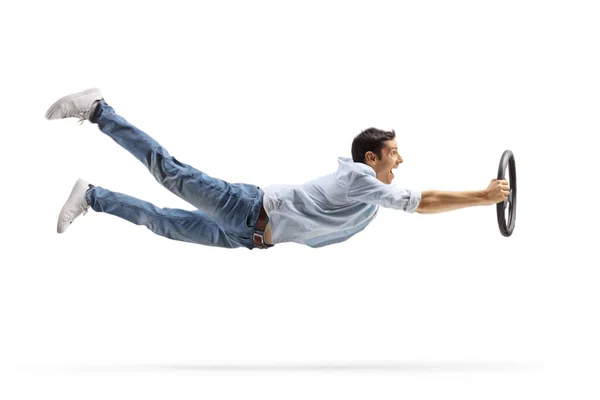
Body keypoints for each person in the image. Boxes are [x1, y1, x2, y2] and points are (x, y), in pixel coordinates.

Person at [46, 88, 509, 250]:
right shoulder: (359, 179)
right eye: (394, 153)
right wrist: (482, 197)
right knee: (168, 171)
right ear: (371, 158)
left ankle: (91, 196)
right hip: (246, 208)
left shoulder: (369, 205)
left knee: (162, 223)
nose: (401, 160)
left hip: (249, 237)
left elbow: (411, 205)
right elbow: (422, 202)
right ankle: (98, 109)